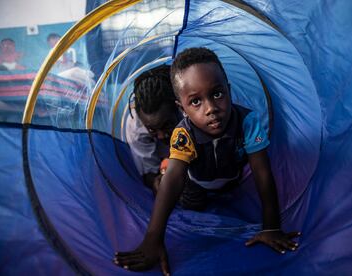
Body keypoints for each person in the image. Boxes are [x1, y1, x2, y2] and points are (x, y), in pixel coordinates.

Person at [114, 48, 300, 274]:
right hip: (196, 184)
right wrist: (154, 237)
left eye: (217, 94)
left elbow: (262, 173)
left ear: (229, 91)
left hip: (232, 178)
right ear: (182, 109)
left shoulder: (247, 122)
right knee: (191, 201)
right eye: (195, 101)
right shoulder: (183, 134)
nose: (211, 108)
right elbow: (173, 179)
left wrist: (271, 227)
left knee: (232, 193)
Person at [125, 64, 181, 195]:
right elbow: (149, 172)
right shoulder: (136, 126)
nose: (161, 136)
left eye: (167, 125)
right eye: (152, 129)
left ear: (178, 107)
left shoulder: (190, 109)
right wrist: (157, 182)